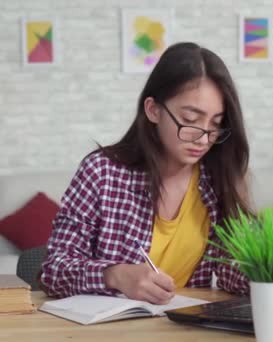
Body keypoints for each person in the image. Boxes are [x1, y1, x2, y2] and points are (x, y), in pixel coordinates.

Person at [40, 42, 251, 305]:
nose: (203, 138)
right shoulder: (102, 173)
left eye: (215, 125)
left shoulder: (216, 178)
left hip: (185, 329)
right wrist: (114, 276)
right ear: (153, 110)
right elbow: (54, 271)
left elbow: (231, 269)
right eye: (190, 119)